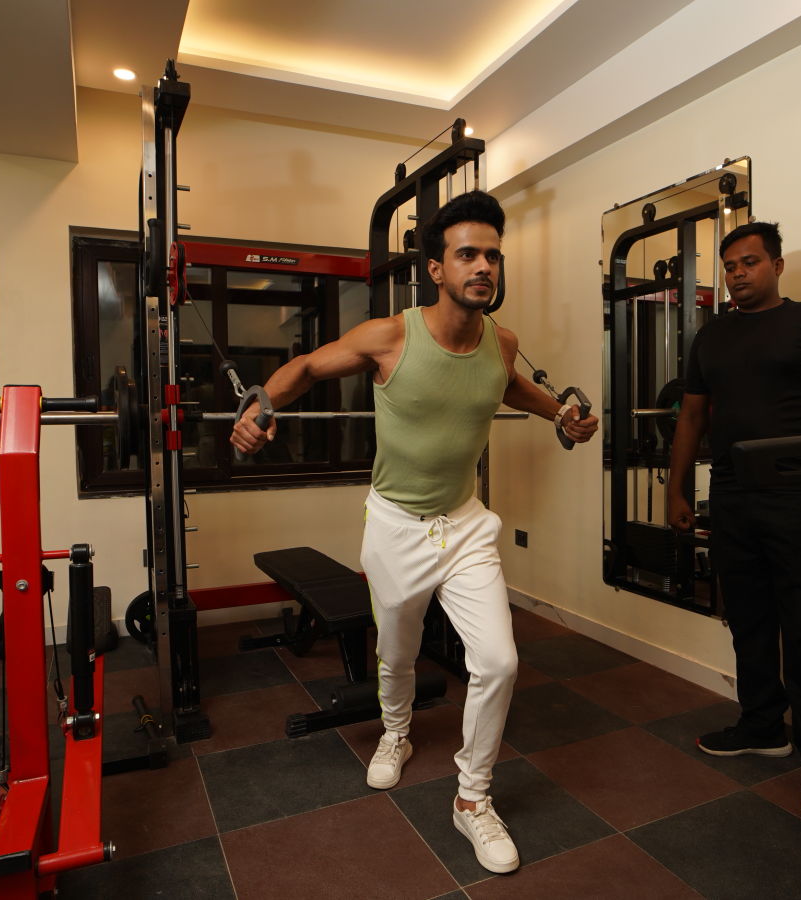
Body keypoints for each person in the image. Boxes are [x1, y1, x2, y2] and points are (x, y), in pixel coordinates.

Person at [231, 190, 599, 873]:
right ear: (436, 268)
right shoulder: (390, 337)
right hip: (396, 526)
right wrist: (259, 402)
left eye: (491, 254)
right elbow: (309, 367)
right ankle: (395, 732)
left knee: (499, 661)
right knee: (396, 656)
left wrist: (559, 414)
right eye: (467, 254)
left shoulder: (502, 341)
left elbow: (508, 385)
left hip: (464, 526)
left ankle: (471, 800)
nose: (482, 266)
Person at [667, 221, 801, 824]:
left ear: (777, 266)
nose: (738, 274)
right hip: (733, 498)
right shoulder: (712, 337)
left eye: (749, 262)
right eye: (730, 265)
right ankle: (761, 723)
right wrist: (676, 487)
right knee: (747, 618)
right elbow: (693, 417)